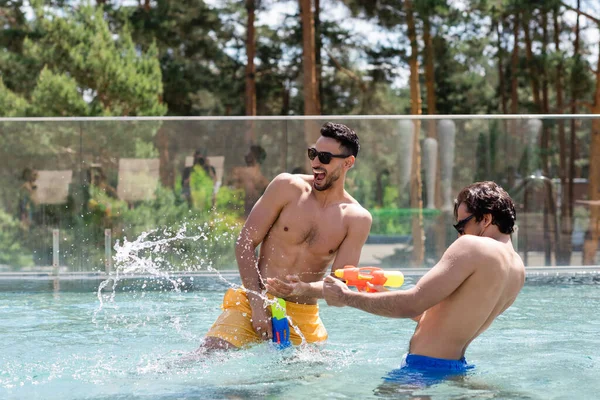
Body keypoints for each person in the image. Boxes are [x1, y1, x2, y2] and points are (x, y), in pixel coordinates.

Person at [323, 181, 525, 386]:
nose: (459, 234)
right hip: (455, 370)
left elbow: (412, 303)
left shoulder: (472, 246)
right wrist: (380, 293)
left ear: (486, 219)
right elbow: (437, 317)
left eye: (462, 225)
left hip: (421, 371)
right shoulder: (517, 269)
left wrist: (345, 296)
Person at [201, 122, 372, 351]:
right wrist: (258, 304)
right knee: (208, 355)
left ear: (348, 163)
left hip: (303, 315)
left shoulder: (356, 219)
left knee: (307, 380)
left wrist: (303, 288)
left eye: (324, 157)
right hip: (253, 302)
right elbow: (245, 243)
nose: (315, 163)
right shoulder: (287, 187)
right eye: (313, 154)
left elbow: (338, 288)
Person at [227, 144, 270, 217]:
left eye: (249, 153)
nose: (245, 155)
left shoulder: (238, 173)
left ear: (252, 156)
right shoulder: (264, 182)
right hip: (253, 218)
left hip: (237, 217)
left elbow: (228, 192)